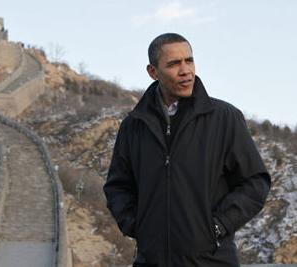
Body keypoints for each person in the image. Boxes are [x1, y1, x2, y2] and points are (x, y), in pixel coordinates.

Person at [103, 33, 271, 267]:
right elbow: (118, 187)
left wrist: (216, 226)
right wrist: (138, 226)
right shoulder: (134, 126)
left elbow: (255, 182)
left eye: (189, 60)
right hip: (151, 260)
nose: (186, 71)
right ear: (153, 72)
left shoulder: (225, 118)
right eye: (173, 64)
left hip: (212, 261)